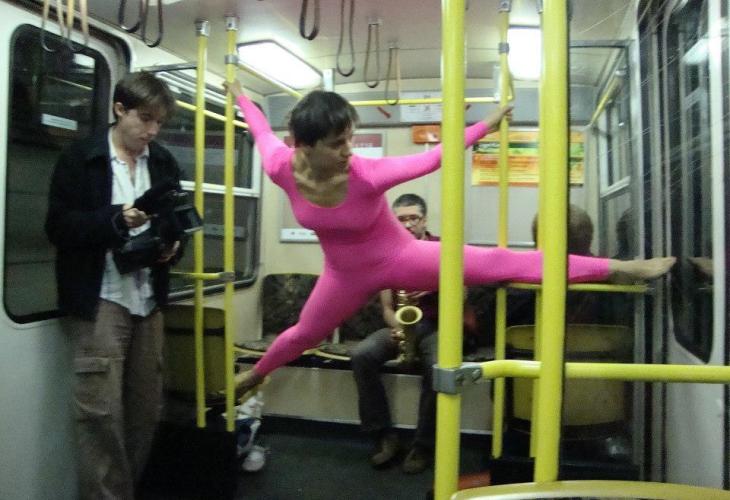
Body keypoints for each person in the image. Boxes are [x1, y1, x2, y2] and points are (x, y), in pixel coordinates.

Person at [222, 79, 675, 397]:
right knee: (305, 332)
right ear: (303, 145)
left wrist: (485, 125)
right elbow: (260, 130)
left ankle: (621, 267)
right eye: (337, 143)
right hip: (344, 275)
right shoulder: (279, 167)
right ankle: (256, 375)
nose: (348, 151)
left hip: (401, 257)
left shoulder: (367, 174)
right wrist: (241, 95)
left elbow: (437, 157)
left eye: (351, 139)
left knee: (503, 261)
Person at [46, 72, 182, 500]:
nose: (152, 131)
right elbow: (58, 227)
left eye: (159, 122)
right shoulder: (81, 159)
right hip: (102, 297)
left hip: (147, 299)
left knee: (146, 412)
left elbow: (176, 222)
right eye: (145, 119)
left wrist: (172, 247)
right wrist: (114, 220)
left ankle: (124, 493)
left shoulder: (162, 162)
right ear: (120, 109)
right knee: (100, 415)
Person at [351, 193, 476, 474]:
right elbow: (387, 307)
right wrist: (398, 327)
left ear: (425, 220)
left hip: (439, 326)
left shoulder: (444, 248)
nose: (408, 224)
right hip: (403, 325)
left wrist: (435, 286)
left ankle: (423, 445)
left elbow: (463, 295)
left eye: (414, 218)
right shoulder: (386, 252)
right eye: (401, 219)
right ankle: (383, 435)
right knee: (361, 355)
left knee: (437, 367)